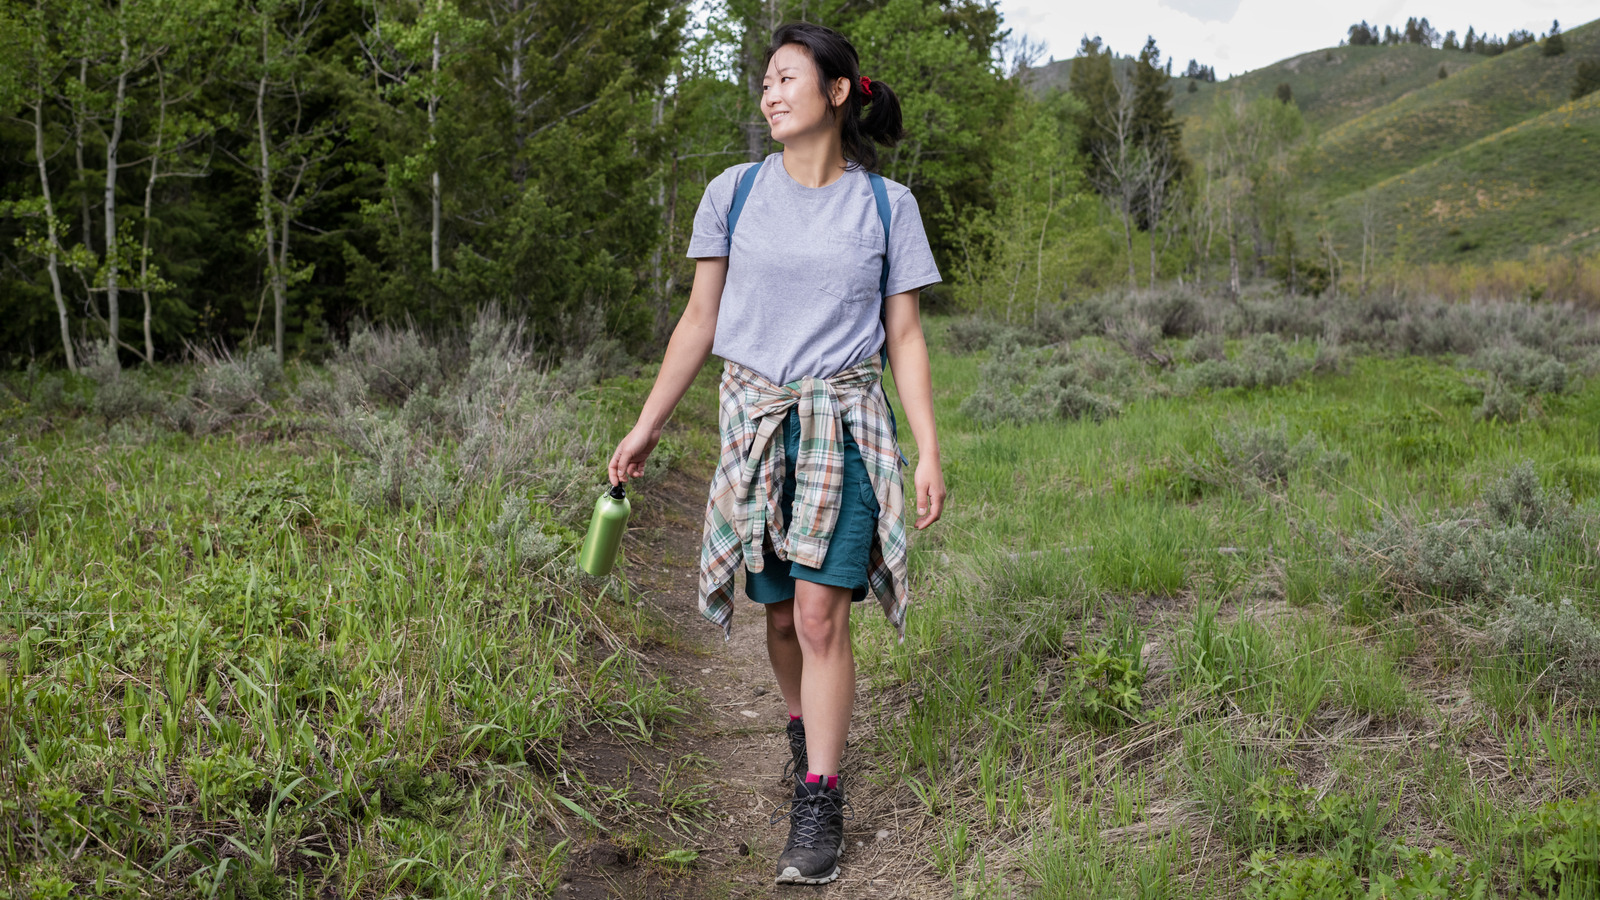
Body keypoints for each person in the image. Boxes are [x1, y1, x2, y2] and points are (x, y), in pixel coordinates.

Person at [607, 21, 945, 887]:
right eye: (764, 81)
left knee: (822, 613)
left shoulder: (885, 206)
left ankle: (821, 799)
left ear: (839, 93)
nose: (770, 92)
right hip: (754, 422)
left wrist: (929, 449)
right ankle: (801, 731)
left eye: (788, 78)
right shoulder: (734, 192)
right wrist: (647, 424)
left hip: (845, 422)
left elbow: (904, 334)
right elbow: (699, 321)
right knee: (779, 615)